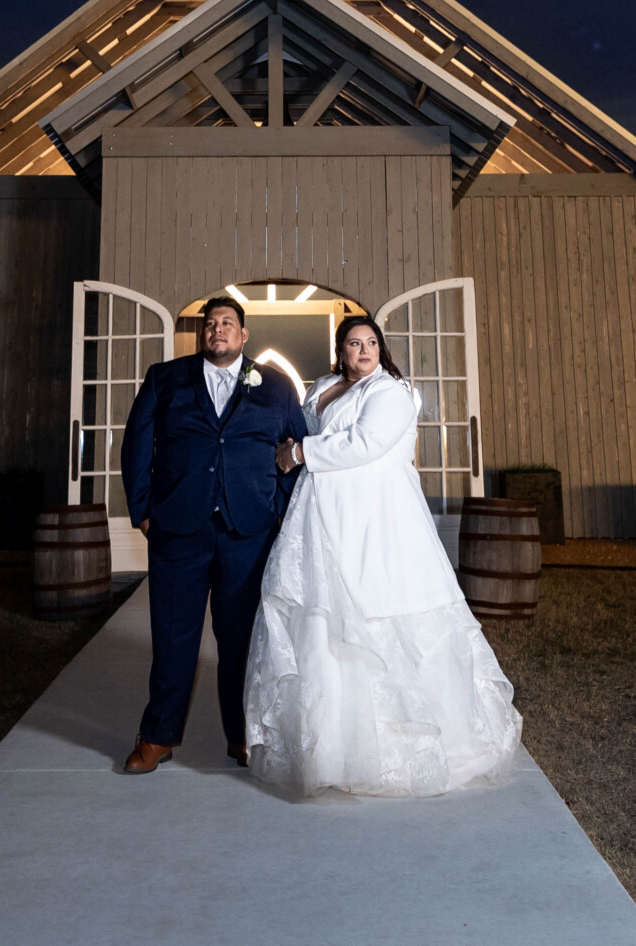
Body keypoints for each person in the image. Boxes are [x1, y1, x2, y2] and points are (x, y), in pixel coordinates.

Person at [244, 313, 524, 797]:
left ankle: (413, 742)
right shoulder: (325, 387)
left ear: (381, 348)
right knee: (322, 618)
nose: (364, 350)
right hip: (324, 512)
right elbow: (307, 423)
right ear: (341, 350)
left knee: (381, 606)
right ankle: (330, 746)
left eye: (372, 342)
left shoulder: (391, 393)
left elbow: (366, 443)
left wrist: (302, 453)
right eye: (354, 343)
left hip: (378, 519)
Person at [118, 295, 313, 774]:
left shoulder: (276, 386)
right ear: (201, 334)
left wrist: (280, 511)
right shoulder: (165, 379)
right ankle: (158, 736)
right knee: (171, 637)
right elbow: (137, 444)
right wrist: (144, 512)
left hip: (248, 534)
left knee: (243, 640)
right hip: (178, 531)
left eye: (228, 322)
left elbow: (295, 450)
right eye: (210, 323)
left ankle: (243, 735)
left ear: (244, 336)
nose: (217, 329)